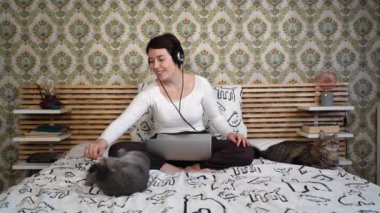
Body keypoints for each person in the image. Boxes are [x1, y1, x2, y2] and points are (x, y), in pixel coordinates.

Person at [84, 33, 254, 173]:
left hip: (198, 145)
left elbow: (216, 118)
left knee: (246, 151)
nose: (155, 66)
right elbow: (123, 121)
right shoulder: (149, 92)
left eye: (160, 59)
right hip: (163, 150)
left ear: (177, 57)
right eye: (151, 61)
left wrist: (230, 133)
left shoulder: (201, 84)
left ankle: (197, 167)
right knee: (116, 151)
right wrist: (102, 141)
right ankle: (172, 169)